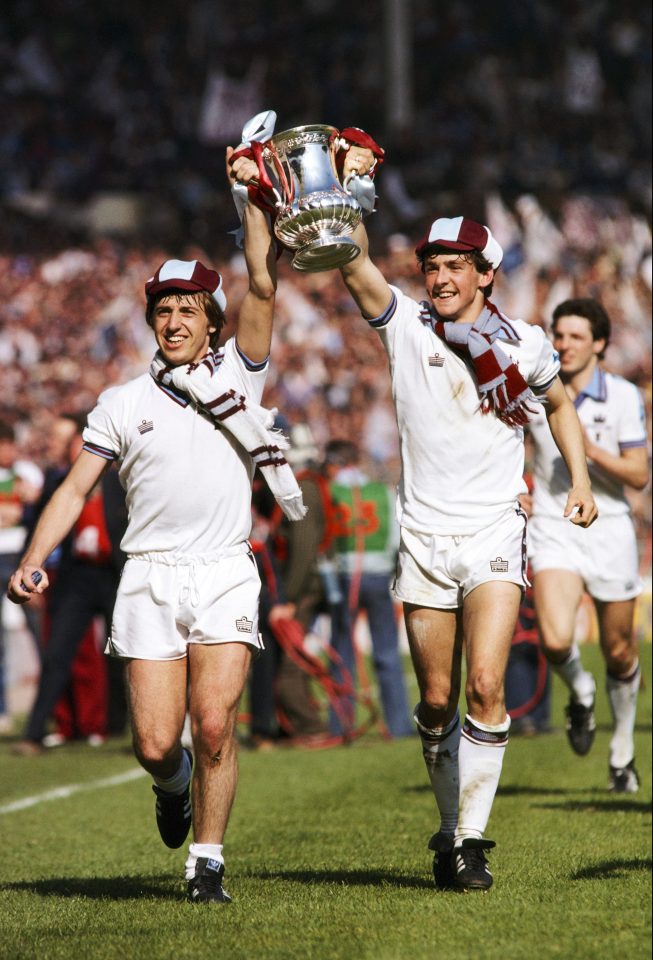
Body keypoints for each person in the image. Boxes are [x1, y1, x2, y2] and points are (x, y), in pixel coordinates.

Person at [8, 148, 303, 904]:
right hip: (148, 574)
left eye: (187, 310)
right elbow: (75, 489)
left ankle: (206, 863)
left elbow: (264, 284)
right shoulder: (119, 402)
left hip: (223, 569)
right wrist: (34, 558)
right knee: (152, 744)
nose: (174, 321)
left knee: (212, 726)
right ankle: (171, 787)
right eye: (163, 310)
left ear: (211, 320)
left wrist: (253, 208)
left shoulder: (241, 371)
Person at [304, 138, 597, 892]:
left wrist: (578, 477)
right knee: (433, 701)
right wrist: (348, 189)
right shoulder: (403, 323)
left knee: (485, 688)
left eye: (454, 265)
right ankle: (447, 826)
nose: (438, 276)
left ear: (485, 275)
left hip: (495, 529)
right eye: (432, 266)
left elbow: (557, 403)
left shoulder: (524, 343)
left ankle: (471, 839)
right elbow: (352, 262)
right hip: (425, 537)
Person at [527, 298, 649, 792]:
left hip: (611, 527)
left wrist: (588, 451)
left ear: (599, 344)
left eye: (577, 337)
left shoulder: (621, 396)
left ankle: (622, 752)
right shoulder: (534, 388)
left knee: (620, 651)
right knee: (555, 640)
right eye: (559, 335)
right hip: (553, 524)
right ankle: (581, 690)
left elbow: (639, 474)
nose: (564, 345)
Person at [13, 414, 128, 755]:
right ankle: (34, 732)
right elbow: (39, 527)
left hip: (113, 575)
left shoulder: (119, 483)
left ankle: (121, 725)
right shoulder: (60, 483)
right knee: (57, 652)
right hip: (76, 576)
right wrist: (27, 568)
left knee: (127, 653)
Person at [324, 438, 413, 738]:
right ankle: (399, 726)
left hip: (346, 576)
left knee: (342, 653)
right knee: (387, 653)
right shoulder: (381, 491)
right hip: (377, 577)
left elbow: (325, 540)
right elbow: (393, 536)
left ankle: (339, 726)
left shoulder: (331, 490)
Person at [0, 419, 43, 732]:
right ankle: (3, 709)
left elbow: (33, 507)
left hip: (22, 559)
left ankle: (50, 706)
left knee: (40, 631)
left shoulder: (26, 474)